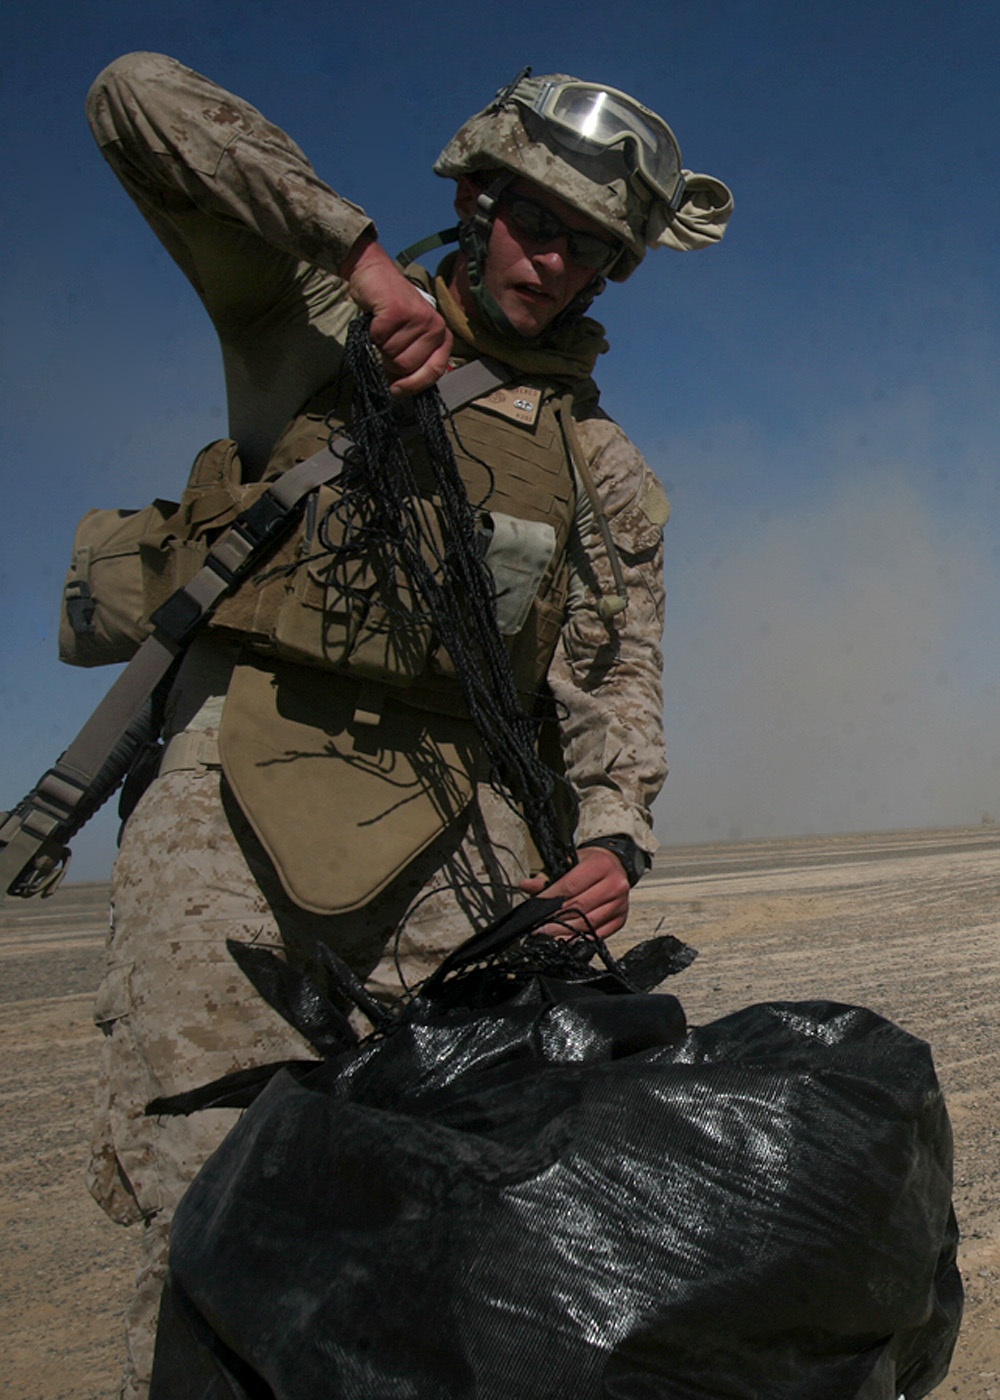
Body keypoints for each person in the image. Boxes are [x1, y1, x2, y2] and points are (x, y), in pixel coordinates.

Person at [82, 52, 732, 1398]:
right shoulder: (312, 319)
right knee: (217, 1217)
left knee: (474, 1223)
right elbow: (135, 98)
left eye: (592, 253)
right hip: (230, 823)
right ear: (478, 197)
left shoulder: (597, 464)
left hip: (466, 847)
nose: (554, 267)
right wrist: (360, 261)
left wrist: (613, 840)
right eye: (537, 225)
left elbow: (617, 675)